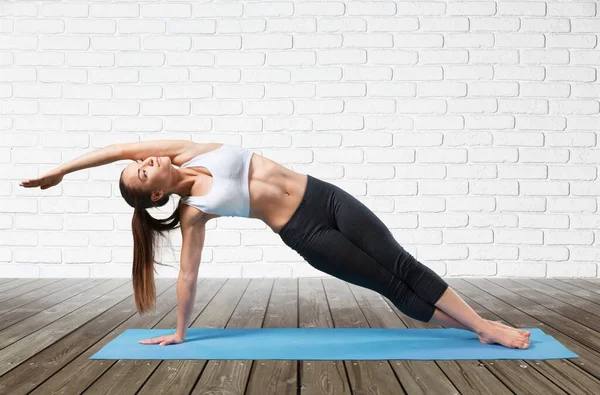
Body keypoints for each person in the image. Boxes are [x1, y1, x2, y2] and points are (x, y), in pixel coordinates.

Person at [20, 140, 531, 349]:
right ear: (156, 193)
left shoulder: (186, 149)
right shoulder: (196, 212)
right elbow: (188, 276)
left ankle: (480, 327)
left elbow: (115, 149)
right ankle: (484, 328)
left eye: (143, 160)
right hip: (308, 234)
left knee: (402, 262)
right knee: (393, 286)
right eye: (142, 170)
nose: (146, 158)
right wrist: (179, 331)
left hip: (328, 197)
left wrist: (61, 170)